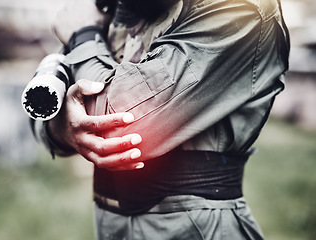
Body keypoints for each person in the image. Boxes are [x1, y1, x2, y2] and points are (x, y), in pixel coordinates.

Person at [31, 0, 290, 239]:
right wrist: (65, 128)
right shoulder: (110, 8)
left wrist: (83, 36)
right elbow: (41, 106)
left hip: (197, 229)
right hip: (112, 225)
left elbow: (118, 122)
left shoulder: (237, 8)